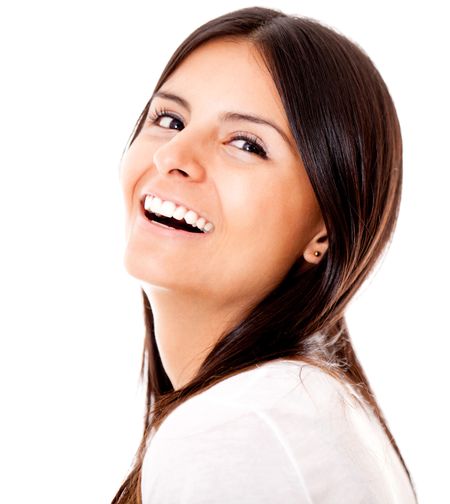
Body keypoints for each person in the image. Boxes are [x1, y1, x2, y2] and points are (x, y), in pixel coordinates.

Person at [114, 6, 417, 503]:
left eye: (246, 144)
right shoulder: (290, 408)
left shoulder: (236, 428)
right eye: (169, 119)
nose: (172, 156)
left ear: (324, 230)